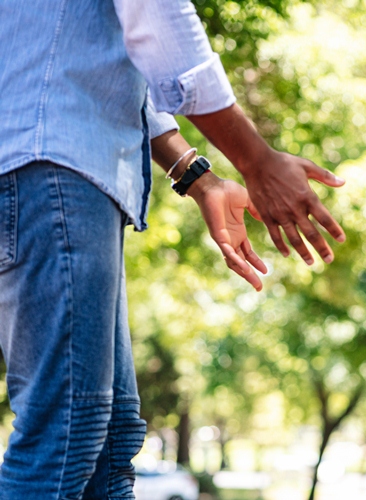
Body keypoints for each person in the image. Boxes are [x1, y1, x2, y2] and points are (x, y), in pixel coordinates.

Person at [0, 0, 346, 498]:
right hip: (51, 168)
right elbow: (157, 22)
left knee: (110, 443)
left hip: (55, 168)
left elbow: (108, 56)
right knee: (69, 428)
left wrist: (197, 177)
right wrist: (256, 159)